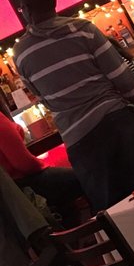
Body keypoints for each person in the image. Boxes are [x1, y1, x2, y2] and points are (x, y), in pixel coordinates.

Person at [15, 0, 134, 211]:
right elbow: (121, 76)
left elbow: (44, 100)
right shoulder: (83, 29)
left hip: (80, 142)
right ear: (54, 2)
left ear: (25, 10)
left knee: (116, 211)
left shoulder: (21, 54)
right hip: (116, 123)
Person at [0, 96, 82, 227]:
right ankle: (99, 227)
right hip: (26, 183)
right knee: (85, 178)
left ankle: (72, 230)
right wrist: (45, 164)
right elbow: (24, 164)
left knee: (68, 200)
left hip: (13, 193)